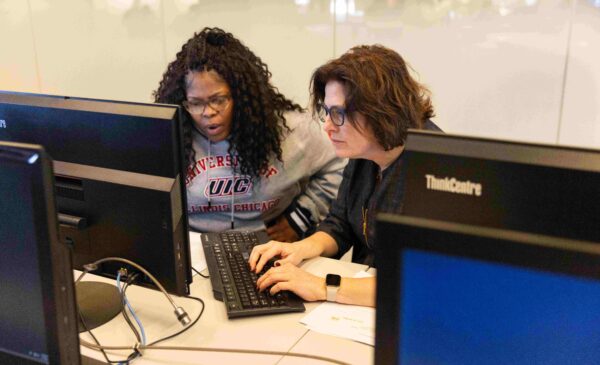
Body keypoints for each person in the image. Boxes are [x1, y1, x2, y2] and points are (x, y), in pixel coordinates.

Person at [249, 44, 442, 307]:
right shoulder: (365, 152)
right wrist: (299, 248)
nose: (328, 127)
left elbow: (421, 282)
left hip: (405, 314)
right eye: (327, 113)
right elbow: (339, 224)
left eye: (338, 114)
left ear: (380, 111)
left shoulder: (436, 170)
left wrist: (321, 286)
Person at [154, 28, 346, 242]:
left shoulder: (292, 131)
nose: (208, 112)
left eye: (218, 100)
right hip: (193, 251)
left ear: (241, 95)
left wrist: (300, 218)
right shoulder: (171, 135)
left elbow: (340, 166)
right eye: (195, 103)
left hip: (268, 248)